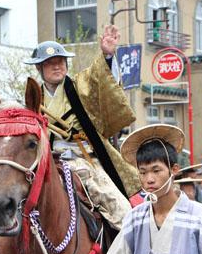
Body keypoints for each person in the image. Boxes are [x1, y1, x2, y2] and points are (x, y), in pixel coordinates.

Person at [47, 124, 202, 254]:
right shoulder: (136, 218)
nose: (149, 179)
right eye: (143, 172)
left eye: (156, 171)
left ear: (174, 170)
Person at [24, 25, 137, 230]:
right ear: (39, 68)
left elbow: (99, 76)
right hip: (46, 164)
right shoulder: (33, 98)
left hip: (83, 161)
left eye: (60, 62)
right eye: (49, 64)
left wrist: (107, 55)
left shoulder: (80, 85)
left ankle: (128, 249)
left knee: (122, 212)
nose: (57, 66)